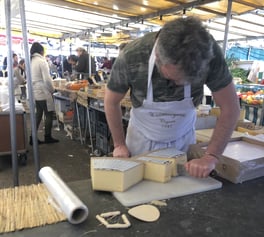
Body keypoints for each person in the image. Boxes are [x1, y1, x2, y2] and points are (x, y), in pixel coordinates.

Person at [104, 17, 240, 178]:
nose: (182, 84)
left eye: (190, 80)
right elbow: (111, 102)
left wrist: (211, 156)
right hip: (142, 140)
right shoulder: (132, 56)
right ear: (158, 57)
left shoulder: (208, 52)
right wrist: (119, 144)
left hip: (183, 138)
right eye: (176, 78)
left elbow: (231, 108)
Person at [30, 42, 59, 144]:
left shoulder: (31, 60)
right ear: (41, 51)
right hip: (42, 91)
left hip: (34, 91)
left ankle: (32, 138)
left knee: (38, 114)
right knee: (49, 114)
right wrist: (52, 90)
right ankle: (47, 136)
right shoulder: (41, 61)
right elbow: (47, 79)